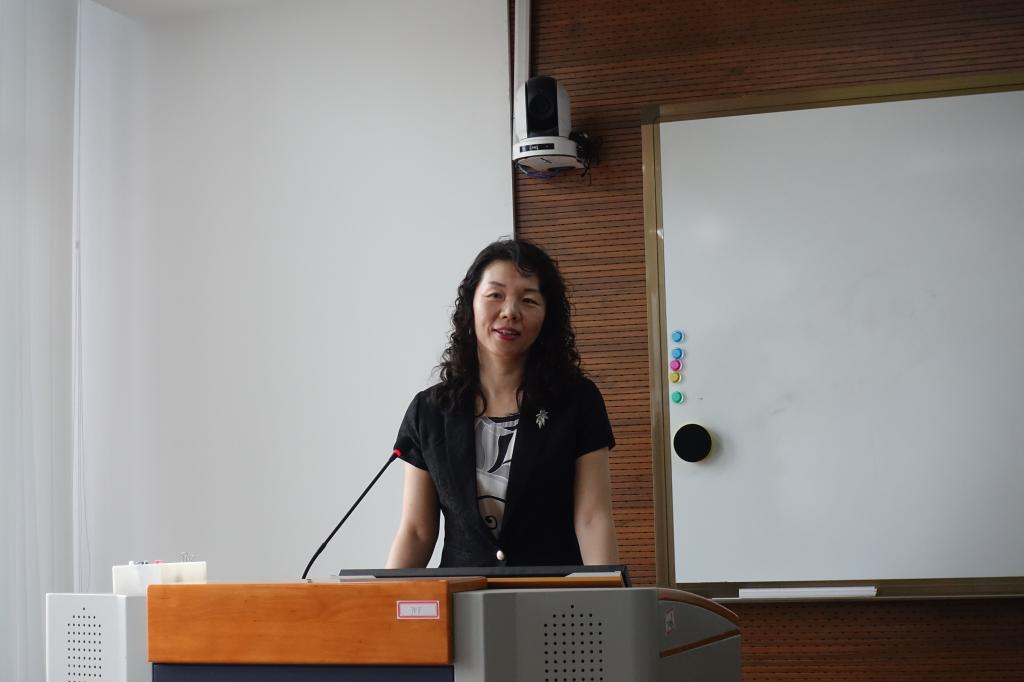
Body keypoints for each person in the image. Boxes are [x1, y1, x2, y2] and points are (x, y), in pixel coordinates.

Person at [385, 238, 619, 568]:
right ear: (470, 304)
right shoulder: (431, 410)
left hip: (553, 597)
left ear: (547, 316)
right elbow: (416, 532)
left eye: (528, 300)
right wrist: (385, 600)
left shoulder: (577, 400)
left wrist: (605, 596)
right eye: (495, 295)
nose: (510, 312)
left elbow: (593, 518)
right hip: (461, 595)